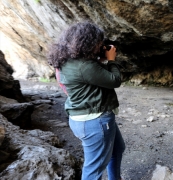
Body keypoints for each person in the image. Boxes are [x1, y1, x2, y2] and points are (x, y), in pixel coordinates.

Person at [47, 22, 125, 180]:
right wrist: (111, 60)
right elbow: (114, 80)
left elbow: (91, 76)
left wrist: (100, 59)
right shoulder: (84, 66)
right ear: (89, 42)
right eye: (98, 42)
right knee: (93, 169)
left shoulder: (67, 60)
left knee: (117, 149)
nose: (100, 45)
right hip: (95, 121)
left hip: (85, 117)